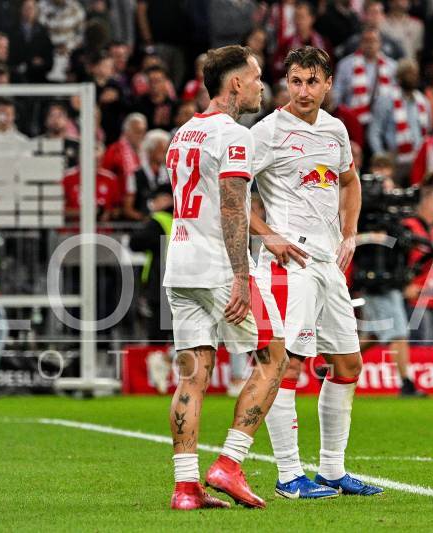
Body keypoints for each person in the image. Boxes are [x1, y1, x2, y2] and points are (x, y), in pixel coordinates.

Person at [249, 46, 383, 499]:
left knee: (347, 363)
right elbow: (231, 192)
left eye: (312, 81)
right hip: (290, 264)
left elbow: (350, 181)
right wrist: (268, 235)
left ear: (328, 84)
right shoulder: (267, 132)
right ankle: (289, 475)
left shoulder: (335, 129)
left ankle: (331, 470)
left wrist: (350, 234)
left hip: (328, 262)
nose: (303, 90)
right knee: (288, 365)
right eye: (296, 81)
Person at [162, 45, 288, 511]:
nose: (261, 86)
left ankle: (185, 487)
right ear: (235, 83)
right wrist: (240, 275)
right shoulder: (235, 135)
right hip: (218, 266)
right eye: (255, 78)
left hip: (180, 265)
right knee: (275, 356)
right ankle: (230, 463)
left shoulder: (182, 134)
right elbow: (233, 205)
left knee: (192, 375)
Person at [367, 59, 430, 176]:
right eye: (409, 73)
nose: (413, 77)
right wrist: (382, 158)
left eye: (415, 73)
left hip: (418, 159)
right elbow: (374, 132)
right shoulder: (386, 99)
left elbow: (427, 132)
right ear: (399, 77)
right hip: (394, 160)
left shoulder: (423, 101)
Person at [128, 185, 173, 343]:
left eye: (155, 200)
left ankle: (160, 358)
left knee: (158, 333)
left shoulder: (158, 220)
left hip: (160, 282)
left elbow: (135, 243)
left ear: (167, 199)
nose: (152, 205)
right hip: (181, 281)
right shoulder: (183, 219)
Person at [402, 185, 433, 344]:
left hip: (430, 299)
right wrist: (404, 286)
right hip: (414, 299)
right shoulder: (408, 227)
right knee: (419, 348)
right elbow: (398, 259)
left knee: (432, 349)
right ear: (427, 203)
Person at [332, 28, 397, 125]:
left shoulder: (392, 66)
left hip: (382, 122)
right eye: (366, 41)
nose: (370, 44)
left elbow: (396, 95)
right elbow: (337, 93)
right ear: (360, 43)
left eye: (373, 41)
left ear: (380, 43)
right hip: (354, 120)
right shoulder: (345, 64)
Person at [123, 128, 170, 220]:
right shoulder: (135, 175)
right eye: (161, 150)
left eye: (166, 150)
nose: (165, 153)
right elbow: (128, 209)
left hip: (166, 224)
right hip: (142, 224)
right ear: (150, 150)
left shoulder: (170, 175)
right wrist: (146, 219)